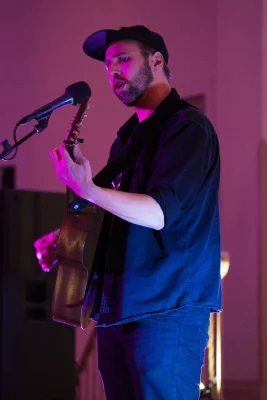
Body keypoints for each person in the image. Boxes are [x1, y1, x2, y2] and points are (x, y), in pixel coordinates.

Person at [34, 25, 221, 400]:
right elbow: (118, 215)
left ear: (156, 62)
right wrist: (67, 237)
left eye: (123, 59)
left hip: (167, 308)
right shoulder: (128, 138)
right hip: (119, 307)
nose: (113, 72)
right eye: (107, 65)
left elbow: (158, 213)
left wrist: (88, 188)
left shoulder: (188, 128)